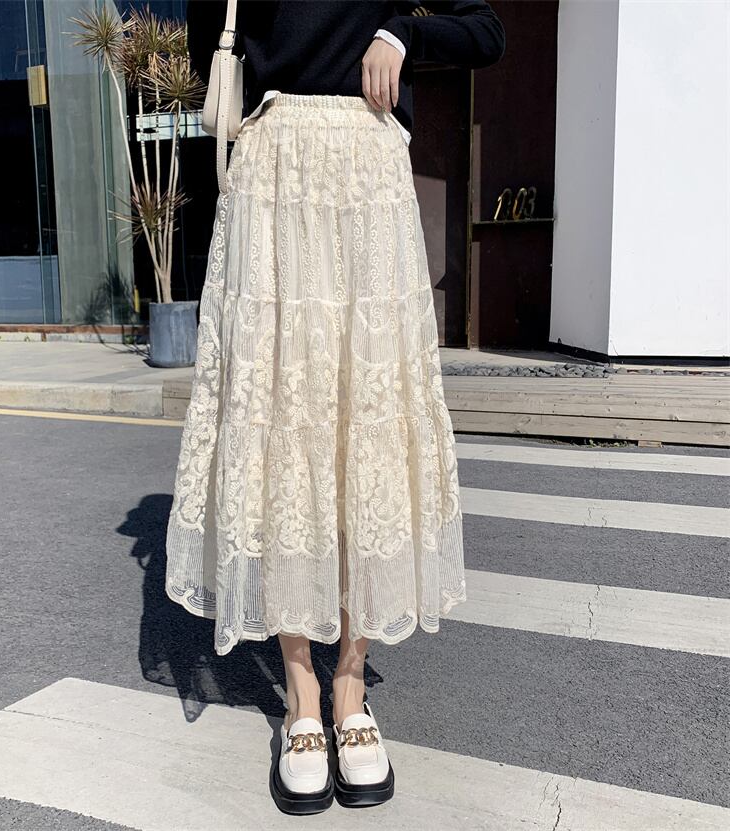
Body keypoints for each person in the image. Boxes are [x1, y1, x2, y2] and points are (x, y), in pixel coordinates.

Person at [167, 0, 506, 815]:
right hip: (274, 175)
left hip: (367, 172)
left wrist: (402, 32)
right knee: (286, 429)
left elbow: (485, 30)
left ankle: (350, 685)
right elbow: (207, 36)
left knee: (366, 433)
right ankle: (302, 695)